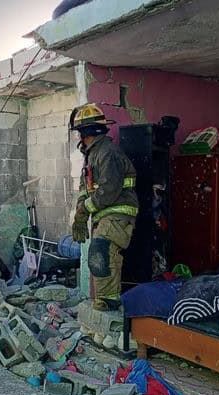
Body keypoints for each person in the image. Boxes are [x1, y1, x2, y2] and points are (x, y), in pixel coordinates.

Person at [70, 104, 139, 311]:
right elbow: (86, 189)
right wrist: (80, 214)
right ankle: (107, 299)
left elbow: (109, 190)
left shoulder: (108, 153)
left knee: (102, 251)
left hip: (118, 211)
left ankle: (109, 301)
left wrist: (84, 211)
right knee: (99, 253)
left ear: (85, 133)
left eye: (80, 133)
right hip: (105, 213)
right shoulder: (92, 154)